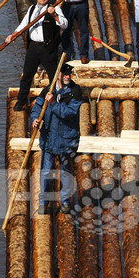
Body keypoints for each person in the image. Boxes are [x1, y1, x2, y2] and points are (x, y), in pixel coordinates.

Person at [31, 62, 83, 215]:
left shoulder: (75, 91)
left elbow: (69, 113)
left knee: (66, 172)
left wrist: (53, 103)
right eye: (65, 74)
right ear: (58, 75)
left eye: (69, 74)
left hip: (67, 139)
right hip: (49, 138)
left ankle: (66, 202)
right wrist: (35, 119)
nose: (67, 76)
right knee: (46, 172)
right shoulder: (48, 90)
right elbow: (37, 108)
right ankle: (43, 202)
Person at [6, 0, 68, 111]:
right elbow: (23, 25)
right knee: (27, 76)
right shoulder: (32, 9)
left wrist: (55, 14)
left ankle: (54, 101)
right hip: (33, 47)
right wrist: (13, 35)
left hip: (48, 48)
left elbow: (65, 25)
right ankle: (21, 101)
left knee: (53, 76)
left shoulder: (54, 8)